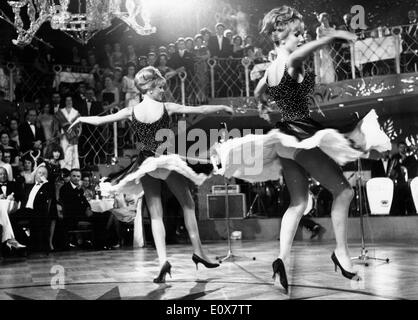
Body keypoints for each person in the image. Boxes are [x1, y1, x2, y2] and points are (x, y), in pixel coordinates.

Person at [212, 6, 391, 293]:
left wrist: (262, 104)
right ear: (282, 36)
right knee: (344, 191)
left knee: (298, 203)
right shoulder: (289, 59)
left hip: (286, 139)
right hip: (299, 135)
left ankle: (281, 260)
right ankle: (341, 253)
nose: (300, 37)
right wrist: (332, 36)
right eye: (296, 33)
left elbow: (259, 89)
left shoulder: (271, 68)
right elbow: (302, 54)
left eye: (300, 33)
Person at [69, 66, 234, 283]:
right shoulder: (166, 107)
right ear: (149, 89)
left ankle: (163, 260)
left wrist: (81, 119)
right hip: (164, 160)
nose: (163, 91)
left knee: (156, 214)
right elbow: (199, 110)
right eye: (160, 87)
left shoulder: (132, 111)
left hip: (146, 163)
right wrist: (221, 106)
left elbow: (101, 121)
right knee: (188, 205)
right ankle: (198, 252)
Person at [52, 96, 82, 170]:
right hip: (63, 136)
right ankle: (64, 170)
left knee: (73, 153)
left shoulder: (76, 112)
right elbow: (55, 125)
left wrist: (78, 134)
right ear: (64, 102)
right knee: (64, 152)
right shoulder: (60, 112)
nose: (69, 102)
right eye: (67, 100)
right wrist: (57, 133)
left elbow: (79, 126)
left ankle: (74, 170)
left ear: (72, 101)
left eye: (70, 100)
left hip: (73, 136)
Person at [315, 12, 337, 83]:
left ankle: (332, 82)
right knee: (324, 68)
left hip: (332, 50)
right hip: (323, 50)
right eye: (322, 20)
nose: (324, 21)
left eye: (326, 19)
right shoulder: (319, 29)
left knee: (332, 67)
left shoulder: (332, 29)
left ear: (328, 19)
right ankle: (324, 83)